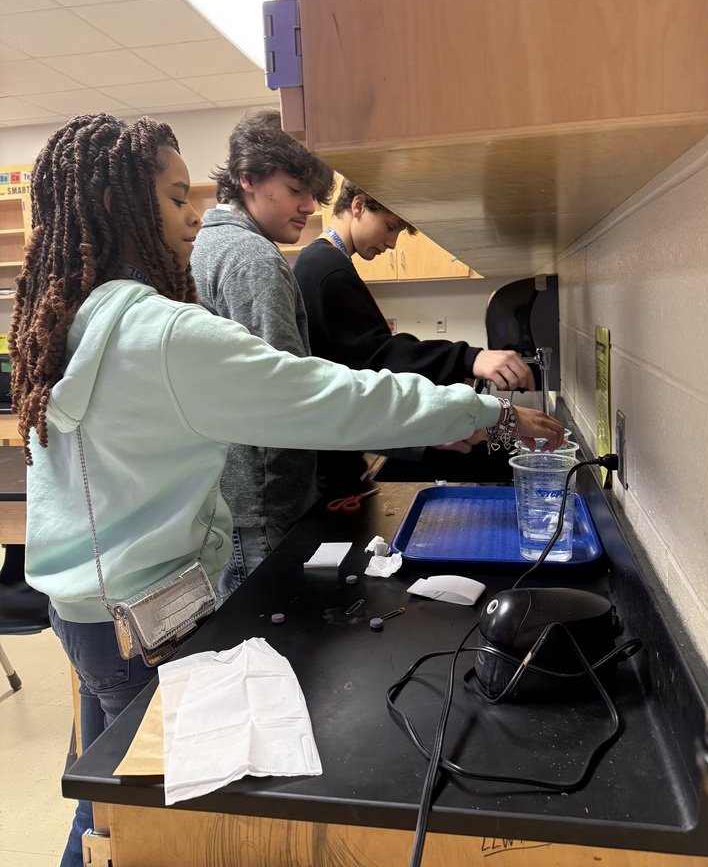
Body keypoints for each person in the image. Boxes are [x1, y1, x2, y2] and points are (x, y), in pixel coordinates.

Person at [10, 113, 563, 867]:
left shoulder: (64, 316)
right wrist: (480, 408)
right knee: (149, 824)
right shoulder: (161, 332)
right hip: (143, 618)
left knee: (108, 806)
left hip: (80, 610)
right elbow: (323, 396)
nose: (193, 216)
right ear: (122, 209)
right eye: (175, 199)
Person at [293, 179, 538, 491]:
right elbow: (380, 358)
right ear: (357, 206)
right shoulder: (329, 269)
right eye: (390, 226)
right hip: (329, 466)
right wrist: (470, 358)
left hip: (334, 452)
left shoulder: (321, 262)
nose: (393, 242)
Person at [190, 109, 334, 597]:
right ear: (247, 180)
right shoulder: (251, 259)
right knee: (272, 647)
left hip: (231, 494)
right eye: (296, 190)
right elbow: (289, 391)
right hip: (264, 501)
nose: (310, 205)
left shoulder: (206, 246)